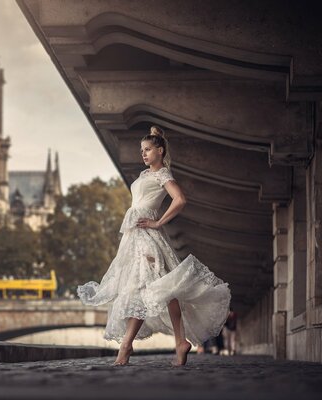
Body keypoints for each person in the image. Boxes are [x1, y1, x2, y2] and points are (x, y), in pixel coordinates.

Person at [77, 125, 231, 367]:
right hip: (134, 237)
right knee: (160, 287)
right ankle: (178, 343)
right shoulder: (144, 175)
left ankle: (127, 348)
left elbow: (180, 199)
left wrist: (158, 222)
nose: (144, 154)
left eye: (148, 149)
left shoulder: (163, 174)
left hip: (146, 235)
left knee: (149, 287)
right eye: (142, 150)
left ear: (160, 151)